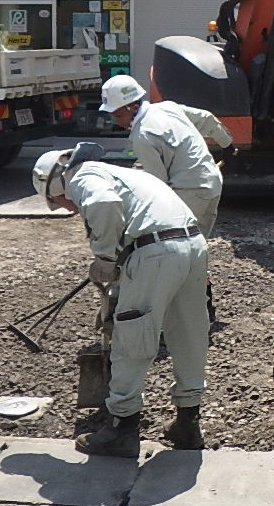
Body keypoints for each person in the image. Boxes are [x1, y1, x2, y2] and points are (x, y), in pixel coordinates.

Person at [32, 141, 210, 457]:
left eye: (58, 201)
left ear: (58, 180)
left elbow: (103, 203)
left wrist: (103, 257)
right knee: (189, 334)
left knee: (132, 337)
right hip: (191, 244)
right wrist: (115, 291)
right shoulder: (122, 174)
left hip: (155, 252)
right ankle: (188, 422)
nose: (67, 208)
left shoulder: (83, 176)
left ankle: (122, 428)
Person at [99, 74, 232, 321]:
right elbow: (206, 119)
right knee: (194, 248)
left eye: (118, 115)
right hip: (211, 184)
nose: (116, 121)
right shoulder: (168, 108)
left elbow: (157, 188)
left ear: (132, 106)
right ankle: (202, 309)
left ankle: (192, 312)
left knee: (176, 252)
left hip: (189, 193)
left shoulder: (142, 135)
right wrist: (227, 144)